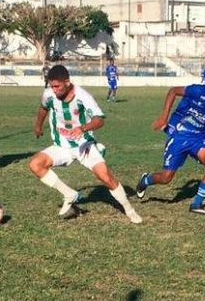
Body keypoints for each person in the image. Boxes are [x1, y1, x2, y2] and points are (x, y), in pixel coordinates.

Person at [28, 64, 142, 224]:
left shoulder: (83, 96)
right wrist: (38, 126)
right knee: (35, 164)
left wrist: (83, 128)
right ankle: (69, 194)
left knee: (106, 177)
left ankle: (130, 211)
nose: (54, 90)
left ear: (67, 82)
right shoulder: (49, 94)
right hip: (62, 146)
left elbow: (99, 120)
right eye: (52, 86)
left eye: (57, 86)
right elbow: (43, 108)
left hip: (84, 146)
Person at [135, 70, 205, 215]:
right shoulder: (198, 90)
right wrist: (164, 117)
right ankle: (145, 180)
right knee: (166, 178)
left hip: (199, 137)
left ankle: (196, 204)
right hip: (179, 134)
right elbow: (173, 91)